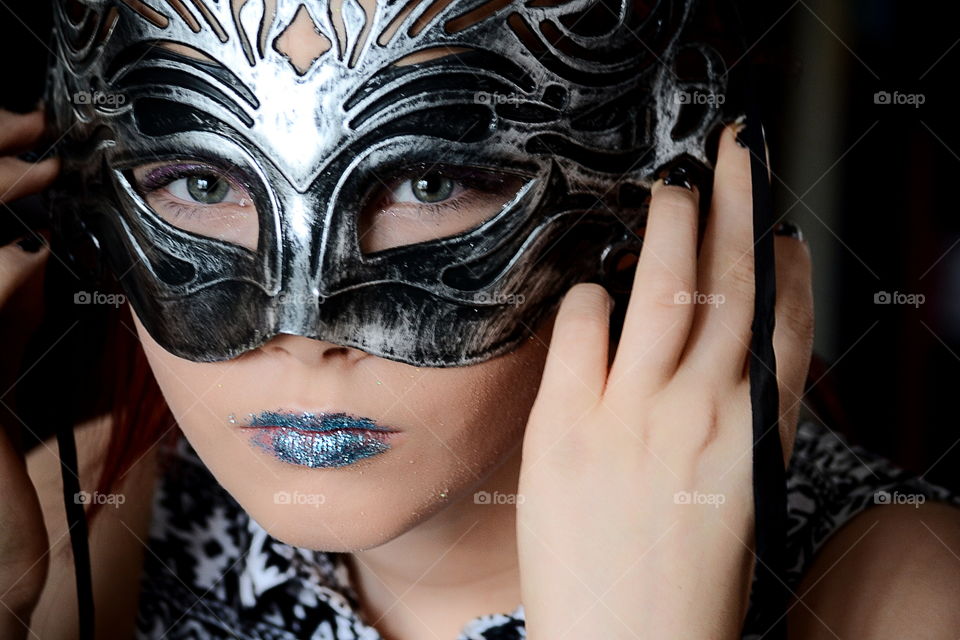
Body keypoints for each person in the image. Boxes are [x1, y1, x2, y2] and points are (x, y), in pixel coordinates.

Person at [2, 1, 960, 639]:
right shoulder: (88, 515)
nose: (298, 324)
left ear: (663, 177)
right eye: (200, 181)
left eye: (431, 180)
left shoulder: (907, 599)